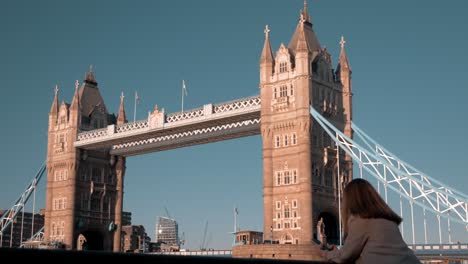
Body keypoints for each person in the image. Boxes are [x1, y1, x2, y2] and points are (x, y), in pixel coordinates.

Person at [318, 178, 421, 264]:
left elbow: (345, 256)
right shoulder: (389, 221)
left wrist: (324, 253)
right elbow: (373, 251)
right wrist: (338, 252)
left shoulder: (361, 221)